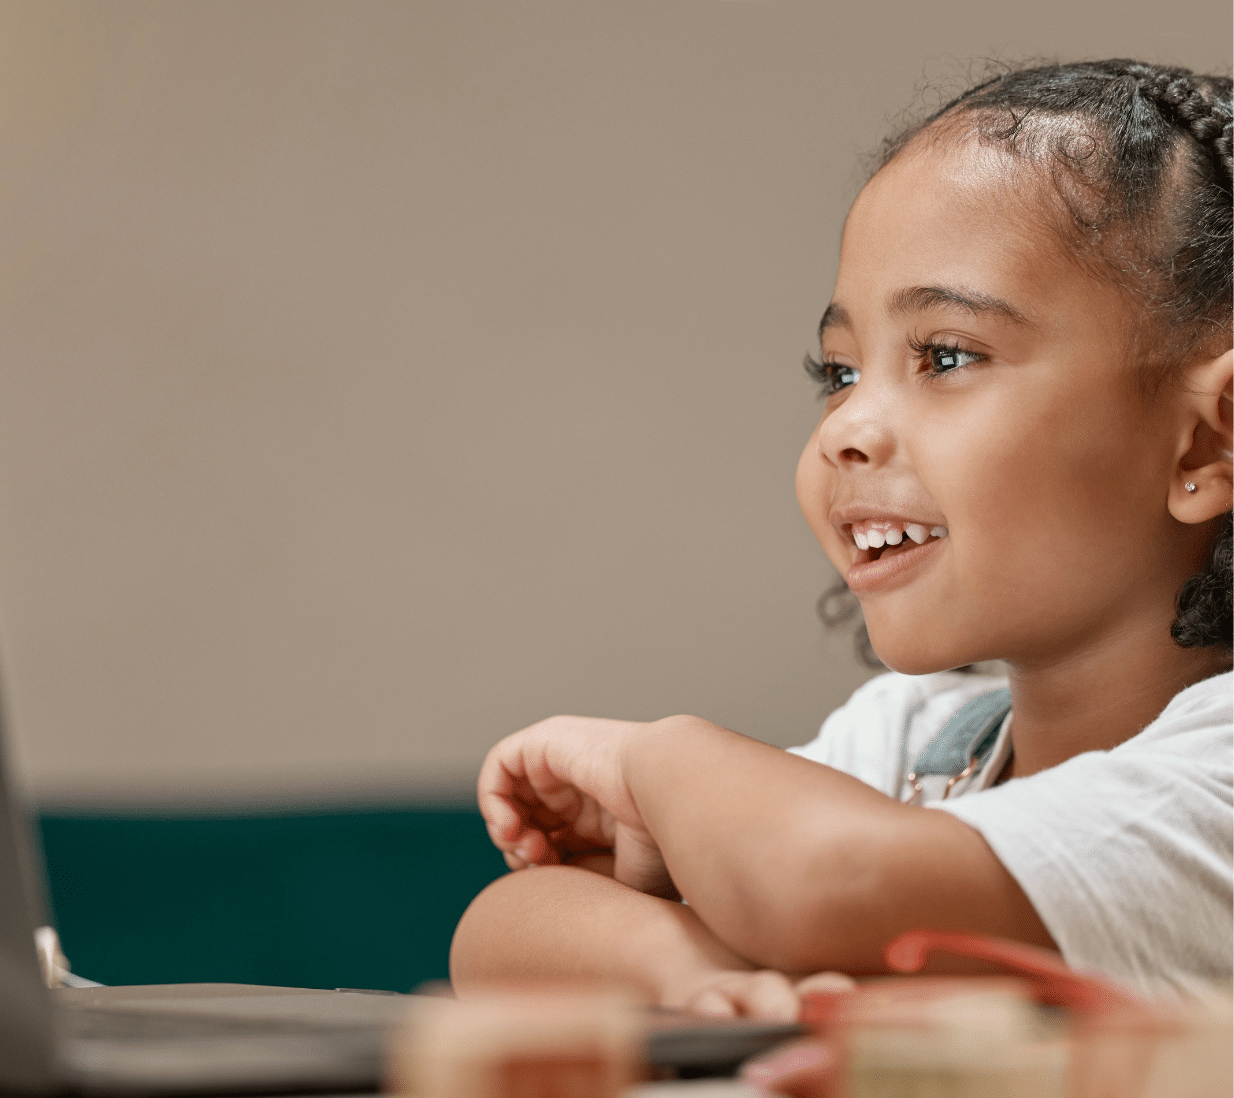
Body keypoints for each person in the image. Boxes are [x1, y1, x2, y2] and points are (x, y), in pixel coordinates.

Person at [448, 59, 1233, 1016]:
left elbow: (821, 884)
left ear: (1207, 440)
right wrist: (705, 973)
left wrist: (654, 758)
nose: (844, 429)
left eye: (946, 356)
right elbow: (505, 927)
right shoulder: (917, 744)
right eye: (840, 371)